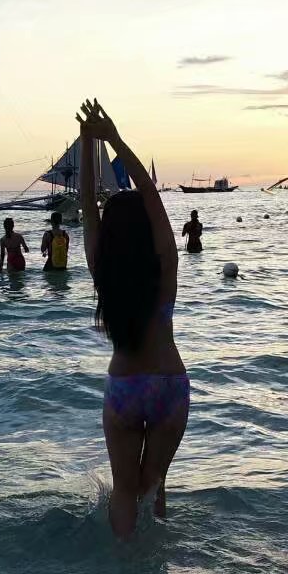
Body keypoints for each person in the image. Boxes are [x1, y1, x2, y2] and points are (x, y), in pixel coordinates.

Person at [78, 97, 188, 538]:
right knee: (153, 487)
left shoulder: (101, 266)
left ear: (110, 234)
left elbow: (86, 202)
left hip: (125, 388)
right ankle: (155, 567)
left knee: (125, 491)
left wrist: (88, 144)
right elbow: (150, 193)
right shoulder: (164, 264)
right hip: (169, 385)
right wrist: (114, 140)